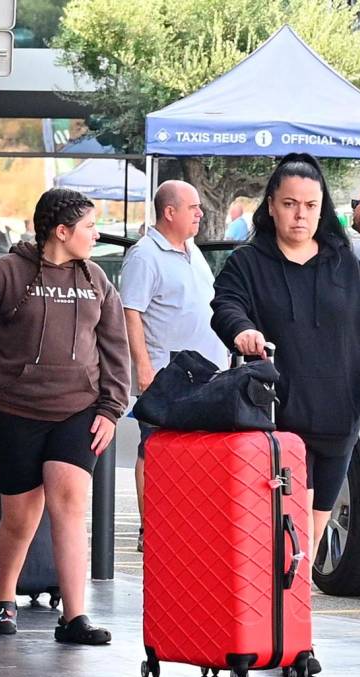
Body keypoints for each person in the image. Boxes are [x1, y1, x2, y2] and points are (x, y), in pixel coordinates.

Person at [211, 153, 360, 677]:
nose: (301, 214)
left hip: (337, 423)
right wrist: (241, 332)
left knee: (307, 544)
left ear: (325, 211)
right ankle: (281, 639)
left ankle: (290, 638)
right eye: (290, 204)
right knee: (280, 534)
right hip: (275, 427)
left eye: (311, 205)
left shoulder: (347, 268)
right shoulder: (248, 263)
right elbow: (225, 306)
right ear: (271, 207)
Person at [0, 188, 129, 642]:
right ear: (62, 232)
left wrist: (111, 407)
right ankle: (3, 599)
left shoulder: (96, 280)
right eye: (88, 226)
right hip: (15, 409)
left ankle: (75, 616)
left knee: (70, 504)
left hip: (77, 410)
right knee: (22, 515)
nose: (95, 233)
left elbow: (115, 347)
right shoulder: (11, 271)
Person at [120, 181, 226, 553]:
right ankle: (152, 528)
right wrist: (144, 368)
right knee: (153, 449)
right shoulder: (145, 254)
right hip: (167, 371)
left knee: (193, 450)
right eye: (193, 207)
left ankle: (185, 521)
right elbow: (131, 312)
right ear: (170, 212)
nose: (200, 213)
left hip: (204, 371)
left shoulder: (191, 250)